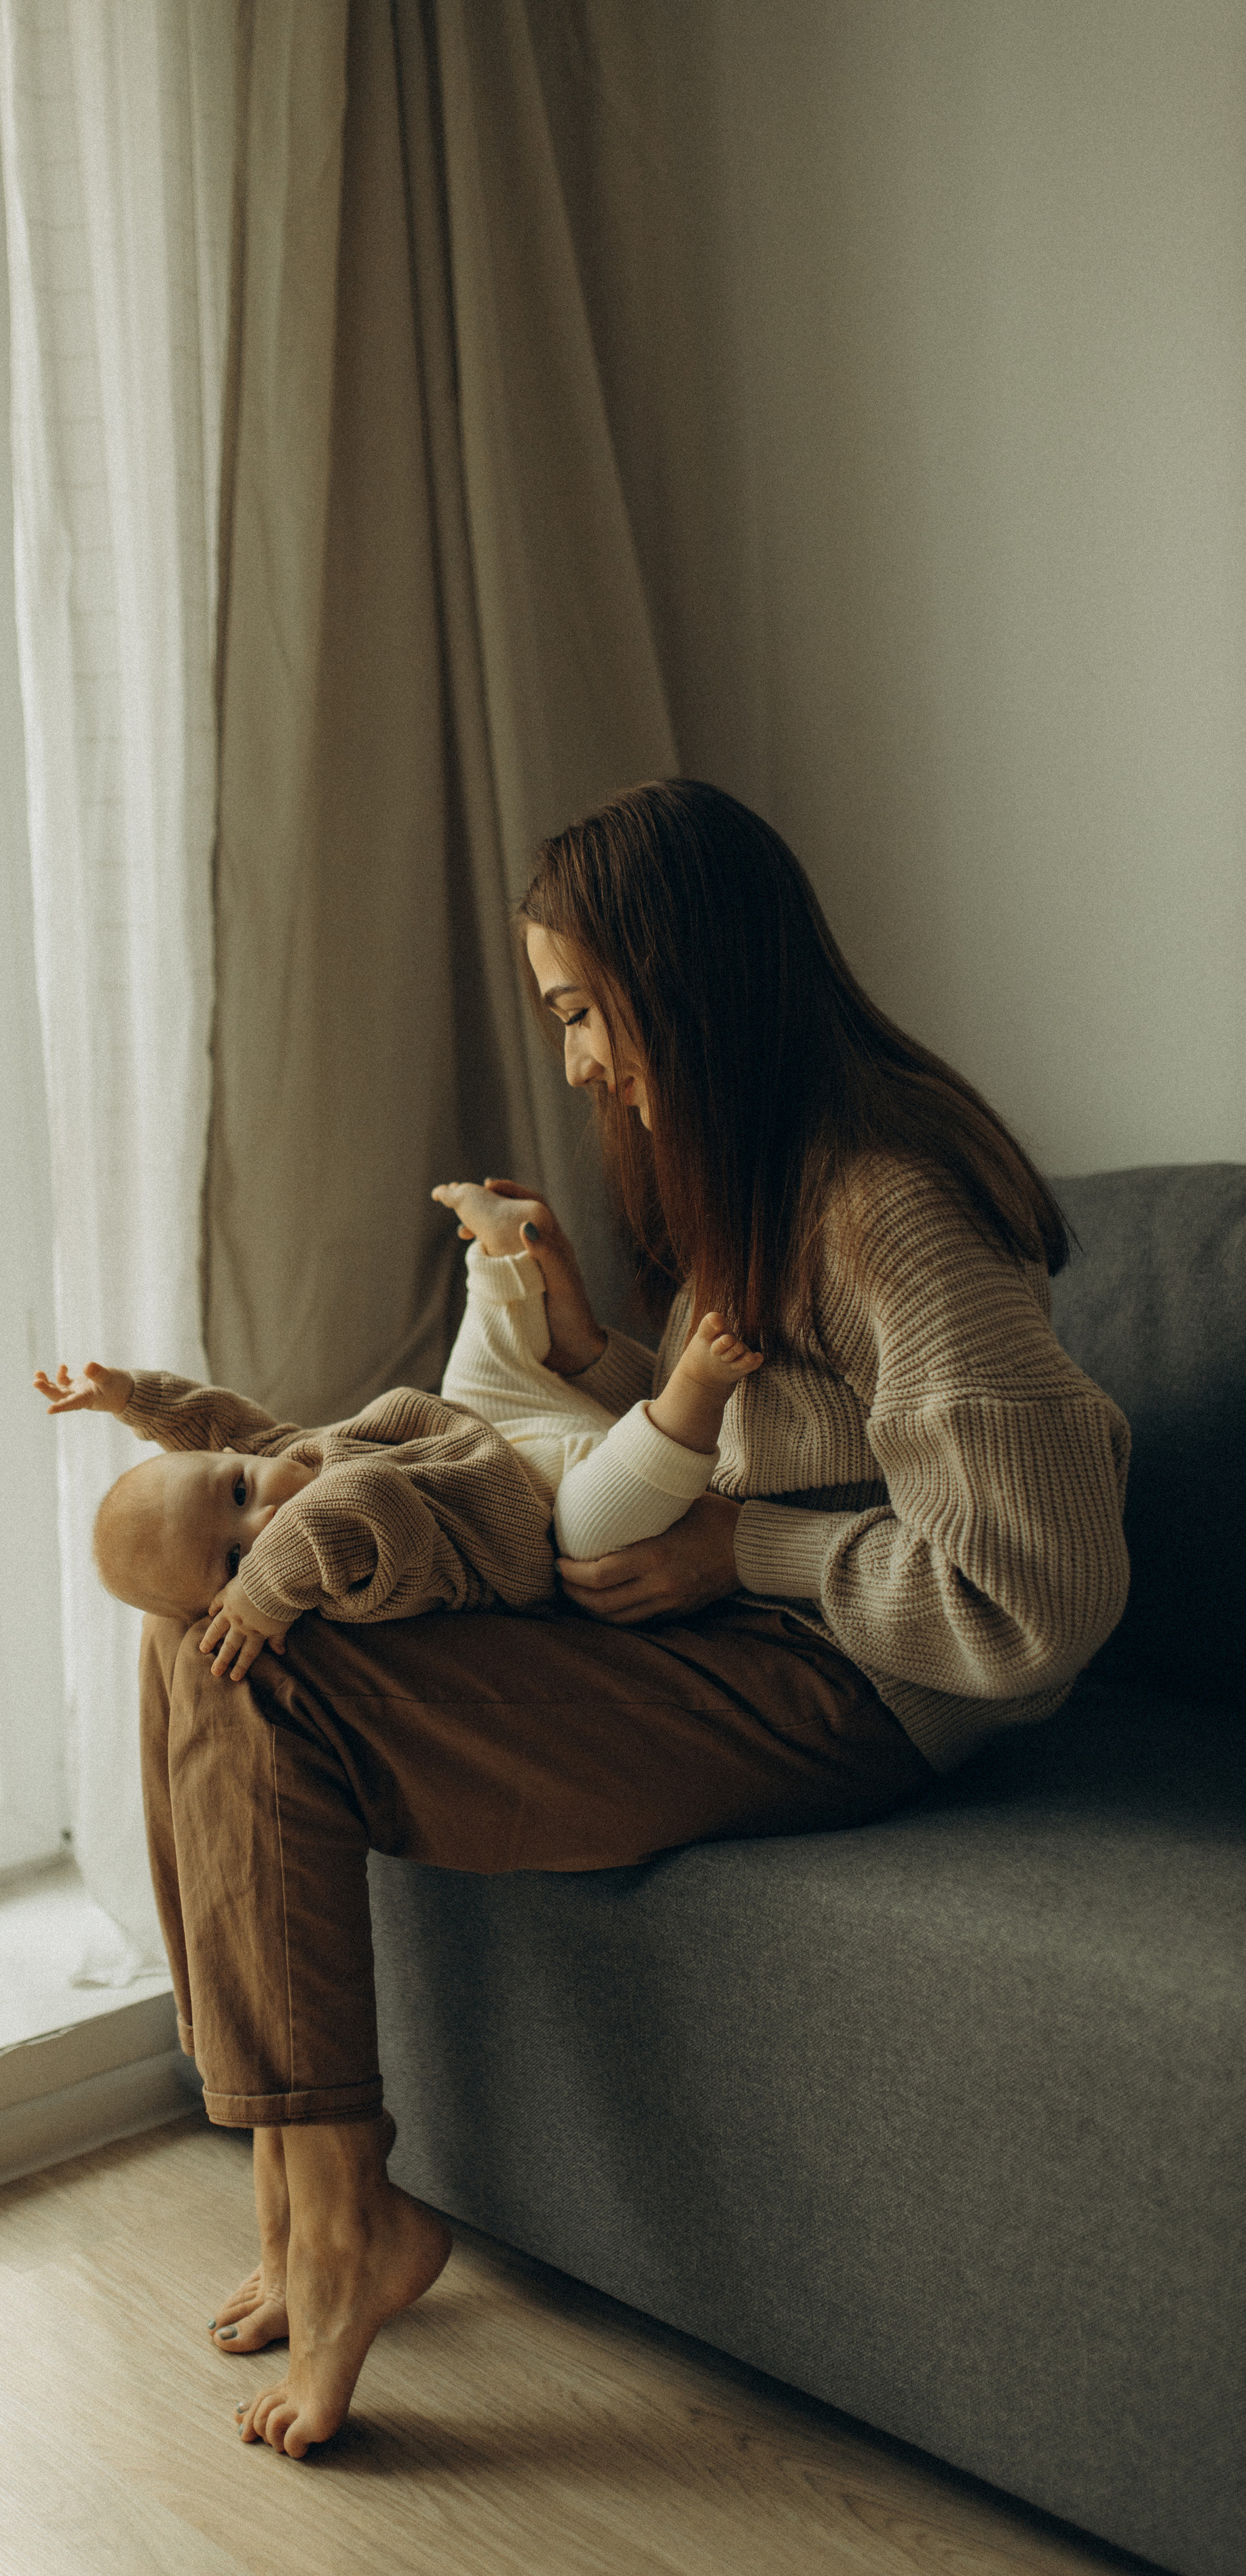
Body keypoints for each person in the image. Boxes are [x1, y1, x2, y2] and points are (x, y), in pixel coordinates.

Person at [135, 777, 1131, 2461]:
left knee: (270, 1662)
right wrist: (602, 1362)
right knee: (201, 1616)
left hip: (858, 1687)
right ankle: (299, 2180)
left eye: (584, 1009)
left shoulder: (889, 1211)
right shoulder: (760, 1170)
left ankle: (344, 2210)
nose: (579, 1058)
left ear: (687, 980)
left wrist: (745, 1556)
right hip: (746, 1633)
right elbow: (771, 1434)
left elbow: (1032, 1604)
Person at [32, 1283, 761, 1677]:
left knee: (481, 1359)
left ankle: (502, 1261)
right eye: (235, 1560)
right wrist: (266, 1590)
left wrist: (132, 1397)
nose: (263, 1523)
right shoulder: (345, 1587)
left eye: (239, 1492)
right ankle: (695, 1393)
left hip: (494, 1439)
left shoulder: (274, 1452)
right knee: (600, 1517)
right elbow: (365, 1499)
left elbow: (218, 1424)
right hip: (549, 1528)